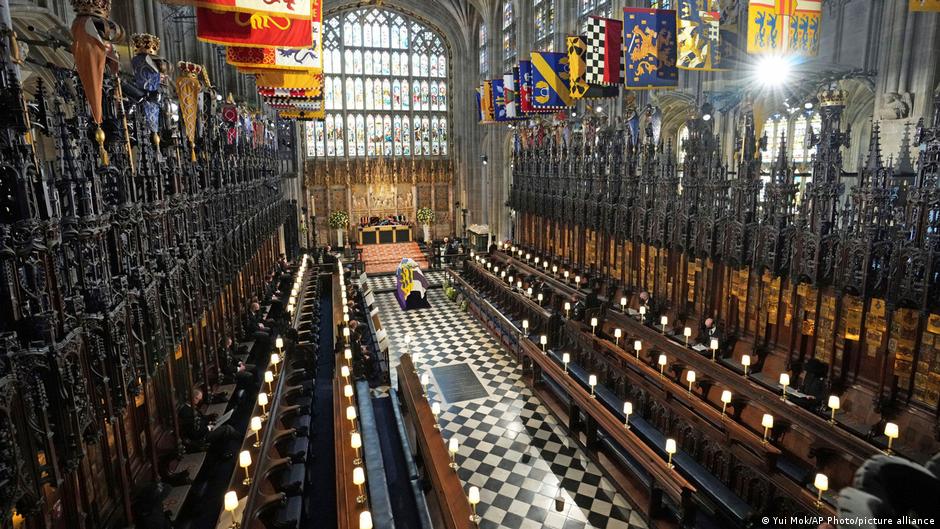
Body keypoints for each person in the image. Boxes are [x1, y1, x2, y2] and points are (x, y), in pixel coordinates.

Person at [178, 389, 239, 455]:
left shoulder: (191, 406)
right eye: (198, 399)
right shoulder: (186, 412)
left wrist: (209, 422)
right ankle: (242, 439)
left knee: (223, 423)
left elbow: (200, 419)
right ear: (193, 397)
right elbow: (195, 432)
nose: (198, 402)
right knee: (227, 429)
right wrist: (209, 427)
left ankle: (224, 451)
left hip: (204, 429)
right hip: (201, 437)